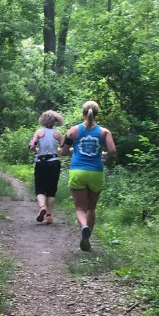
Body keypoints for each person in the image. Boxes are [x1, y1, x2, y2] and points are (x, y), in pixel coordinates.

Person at [60, 100, 116, 251]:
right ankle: (87, 238)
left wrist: (73, 150)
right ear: (96, 113)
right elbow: (113, 151)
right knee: (91, 208)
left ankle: (84, 226)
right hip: (96, 172)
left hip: (78, 171)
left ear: (83, 113)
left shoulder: (73, 131)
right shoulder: (104, 132)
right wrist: (104, 155)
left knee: (80, 208)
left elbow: (63, 152)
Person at [28, 110, 64, 224]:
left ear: (43, 120)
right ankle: (49, 215)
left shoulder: (39, 132)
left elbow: (31, 145)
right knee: (51, 190)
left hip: (41, 162)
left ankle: (42, 207)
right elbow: (63, 150)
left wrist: (37, 150)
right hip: (54, 163)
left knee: (40, 189)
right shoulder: (58, 134)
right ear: (55, 122)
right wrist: (57, 151)